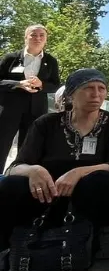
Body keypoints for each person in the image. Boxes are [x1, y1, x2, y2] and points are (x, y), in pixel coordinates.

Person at [0, 69, 109, 252]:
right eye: (88, 88)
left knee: (100, 180)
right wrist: (34, 170)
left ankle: (82, 246)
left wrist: (78, 172)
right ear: (71, 94)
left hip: (91, 195)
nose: (96, 94)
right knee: (11, 184)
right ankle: (8, 249)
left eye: (101, 88)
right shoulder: (46, 123)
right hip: (47, 193)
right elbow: (14, 167)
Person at [0, 24, 60, 165]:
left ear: (46, 39)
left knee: (28, 149)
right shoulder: (11, 58)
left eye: (41, 35)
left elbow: (55, 85)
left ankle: (19, 176)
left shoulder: (51, 61)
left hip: (35, 111)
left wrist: (41, 84)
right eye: (33, 35)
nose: (37, 38)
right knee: (1, 144)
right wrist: (18, 84)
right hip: (9, 110)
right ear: (26, 37)